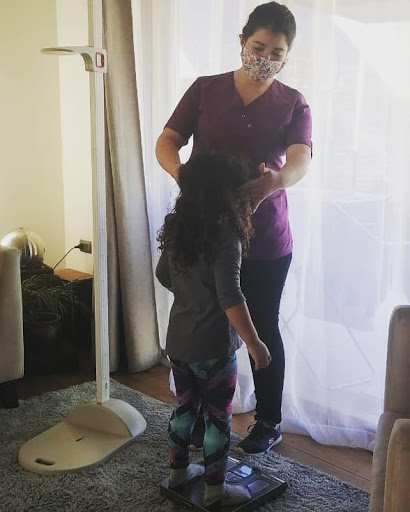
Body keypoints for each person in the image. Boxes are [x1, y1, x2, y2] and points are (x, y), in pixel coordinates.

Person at [155, 1, 312, 455]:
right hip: (203, 228)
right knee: (201, 313)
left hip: (264, 235)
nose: (265, 58)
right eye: (258, 47)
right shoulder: (206, 89)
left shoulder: (293, 102)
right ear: (242, 42)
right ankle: (197, 408)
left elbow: (301, 159)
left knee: (262, 323)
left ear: (286, 57)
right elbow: (168, 140)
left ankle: (268, 420)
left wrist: (274, 182)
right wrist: (183, 175)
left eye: (276, 53)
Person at [155, 152, 271, 508]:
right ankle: (215, 491)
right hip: (213, 350)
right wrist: (255, 343)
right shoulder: (225, 238)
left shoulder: (178, 231)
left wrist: (192, 293)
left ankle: (177, 473)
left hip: (178, 343)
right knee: (218, 418)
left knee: (184, 410)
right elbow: (231, 297)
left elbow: (163, 274)